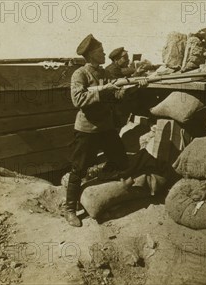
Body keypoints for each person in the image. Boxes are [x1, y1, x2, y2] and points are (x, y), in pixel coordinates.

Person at [65, 34, 148, 227]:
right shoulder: (81, 74)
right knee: (78, 169)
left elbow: (118, 95)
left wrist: (136, 85)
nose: (104, 54)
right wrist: (103, 90)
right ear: (91, 55)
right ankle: (69, 209)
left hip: (106, 127)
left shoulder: (104, 74)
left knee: (120, 161)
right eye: (101, 52)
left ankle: (107, 189)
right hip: (86, 130)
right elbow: (77, 99)